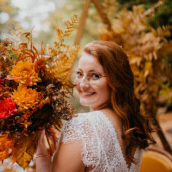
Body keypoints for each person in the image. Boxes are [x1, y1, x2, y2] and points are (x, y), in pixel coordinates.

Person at [35, 40, 155, 172]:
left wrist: (40, 152)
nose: (82, 84)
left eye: (95, 76)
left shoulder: (81, 126)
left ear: (117, 80)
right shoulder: (132, 126)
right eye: (80, 73)